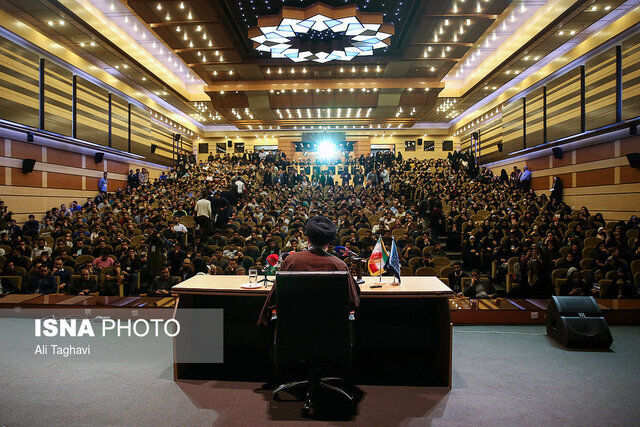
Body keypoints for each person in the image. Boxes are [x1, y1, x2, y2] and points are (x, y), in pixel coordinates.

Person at [258, 216, 361, 326]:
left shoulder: (291, 261)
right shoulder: (339, 265)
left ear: (308, 240)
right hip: (330, 331)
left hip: (293, 329)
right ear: (328, 244)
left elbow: (274, 299)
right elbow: (354, 301)